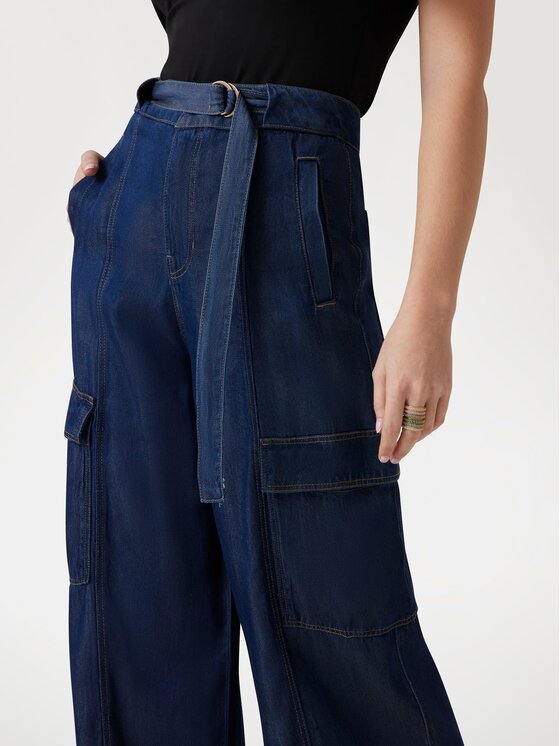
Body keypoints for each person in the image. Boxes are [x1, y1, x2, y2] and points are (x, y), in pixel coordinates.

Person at [63, 1, 494, 743]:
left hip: (286, 202)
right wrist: (108, 203)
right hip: (138, 207)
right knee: (140, 619)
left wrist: (431, 309)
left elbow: (459, 72)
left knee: (332, 615)